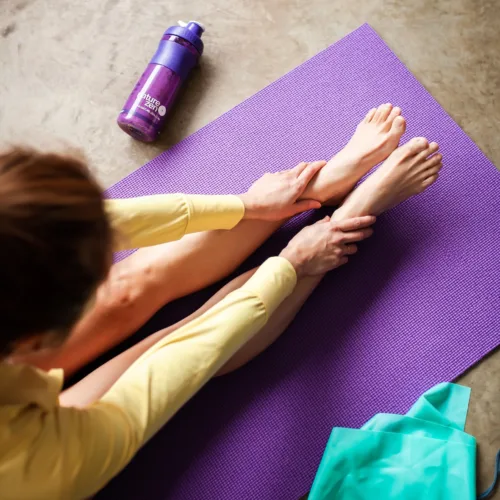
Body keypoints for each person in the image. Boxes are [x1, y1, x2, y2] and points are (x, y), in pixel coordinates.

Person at [0, 104, 442, 498]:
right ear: (32, 342)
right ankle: (346, 219)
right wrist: (290, 264)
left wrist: (245, 205)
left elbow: (76, 227)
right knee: (165, 344)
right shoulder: (43, 470)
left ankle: (320, 189)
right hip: (31, 462)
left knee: (124, 289)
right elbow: (184, 359)